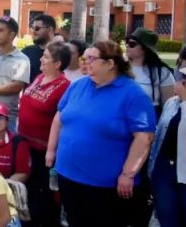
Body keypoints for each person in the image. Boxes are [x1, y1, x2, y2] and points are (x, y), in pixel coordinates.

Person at [46, 40, 156, 227]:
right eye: (85, 57)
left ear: (110, 64)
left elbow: (144, 137)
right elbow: (59, 117)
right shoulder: (79, 85)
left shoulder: (133, 94)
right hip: (68, 176)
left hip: (104, 185)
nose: (85, 62)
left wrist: (128, 174)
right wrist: (51, 151)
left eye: (91, 58)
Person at [18, 42, 71, 227]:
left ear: (58, 64)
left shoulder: (65, 86)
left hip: (44, 151)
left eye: (46, 57)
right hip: (25, 144)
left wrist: (51, 149)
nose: (41, 58)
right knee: (27, 188)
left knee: (45, 194)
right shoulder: (40, 77)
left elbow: (62, 121)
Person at [148, 68, 186, 227]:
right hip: (164, 170)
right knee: (166, 216)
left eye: (177, 79)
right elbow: (158, 137)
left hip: (183, 173)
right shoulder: (171, 103)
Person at [126, 28, 176, 115]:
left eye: (132, 44)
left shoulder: (162, 73)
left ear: (145, 49)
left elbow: (168, 107)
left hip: (149, 122)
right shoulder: (120, 67)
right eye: (127, 42)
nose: (127, 46)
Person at [0, 102, 30, 183]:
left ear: (7, 121)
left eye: (0, 117)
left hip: (5, 190)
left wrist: (2, 187)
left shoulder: (18, 143)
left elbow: (22, 173)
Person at [22, 14, 56, 84]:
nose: (33, 32)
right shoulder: (27, 51)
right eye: (33, 28)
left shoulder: (62, 53)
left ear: (50, 30)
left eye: (37, 28)